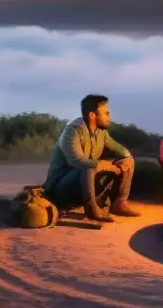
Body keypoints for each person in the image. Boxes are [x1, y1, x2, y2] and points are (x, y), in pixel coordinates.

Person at [42, 94, 141, 222]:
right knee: (88, 165)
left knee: (127, 161)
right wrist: (106, 165)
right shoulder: (73, 130)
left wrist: (125, 161)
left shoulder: (102, 133)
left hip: (84, 183)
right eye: (106, 113)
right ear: (92, 115)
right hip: (61, 189)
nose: (109, 117)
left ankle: (119, 203)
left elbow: (124, 152)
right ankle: (91, 209)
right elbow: (77, 161)